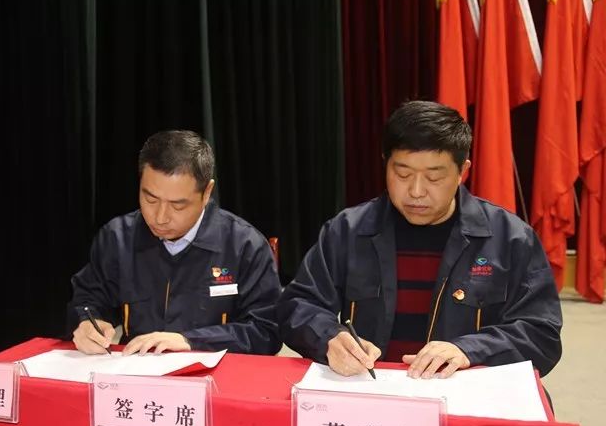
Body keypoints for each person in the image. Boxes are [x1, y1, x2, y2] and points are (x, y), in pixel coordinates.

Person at [277, 101, 562, 379]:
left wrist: (470, 350)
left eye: (433, 178)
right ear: (385, 164)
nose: (415, 191)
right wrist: (330, 337)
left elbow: (541, 334)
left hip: (464, 393)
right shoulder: (348, 230)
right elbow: (299, 305)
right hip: (373, 388)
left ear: (462, 172)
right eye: (402, 174)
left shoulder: (510, 238)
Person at [68, 130, 282, 355]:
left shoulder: (245, 246)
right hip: (137, 370)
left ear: (207, 192)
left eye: (178, 205)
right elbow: (87, 300)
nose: (160, 217)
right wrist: (87, 322)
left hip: (219, 372)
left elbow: (267, 330)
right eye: (150, 199)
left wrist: (192, 341)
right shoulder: (118, 238)